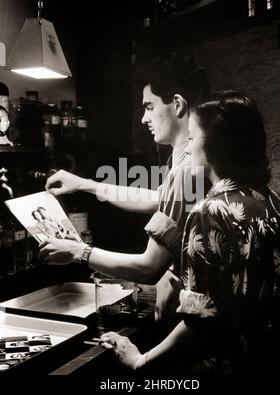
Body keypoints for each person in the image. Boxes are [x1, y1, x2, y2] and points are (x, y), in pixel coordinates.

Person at [97, 92, 280, 376]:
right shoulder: (278, 202)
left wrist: (139, 361)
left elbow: (200, 323)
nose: (187, 149)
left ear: (215, 145)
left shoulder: (209, 212)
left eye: (191, 138)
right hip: (275, 359)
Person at [42, 53, 210, 334]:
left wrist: (77, 252)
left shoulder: (188, 169)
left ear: (177, 104)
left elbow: (148, 267)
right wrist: (84, 184)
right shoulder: (182, 162)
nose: (143, 118)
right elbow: (159, 200)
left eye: (148, 106)